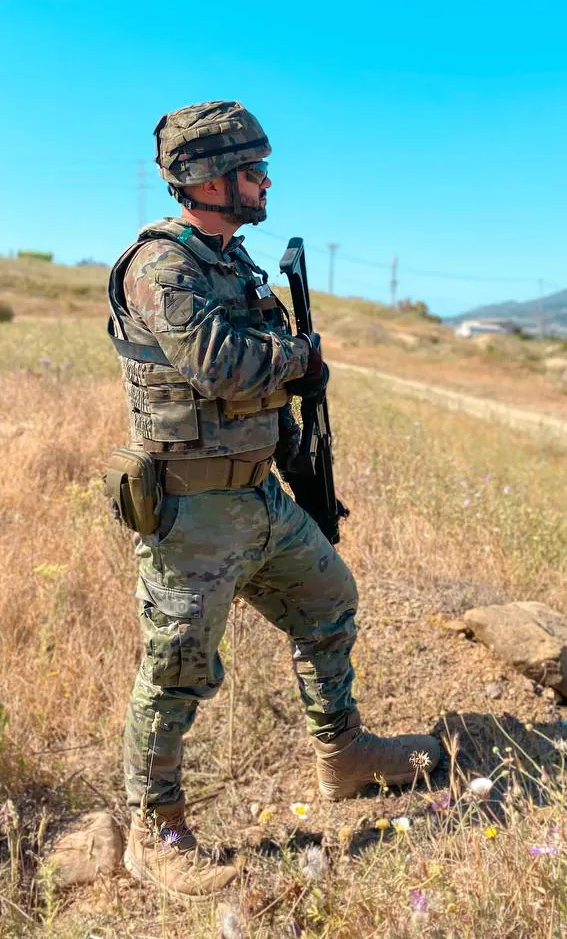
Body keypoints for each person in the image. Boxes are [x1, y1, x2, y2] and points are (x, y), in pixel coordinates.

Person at [107, 101, 440, 897]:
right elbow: (221, 365)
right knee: (178, 668)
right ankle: (156, 833)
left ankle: (344, 755)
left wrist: (303, 476)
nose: (265, 183)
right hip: (192, 514)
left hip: (257, 498)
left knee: (329, 601)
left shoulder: (235, 264)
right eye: (252, 171)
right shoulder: (162, 269)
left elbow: (270, 397)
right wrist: (300, 357)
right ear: (205, 179)